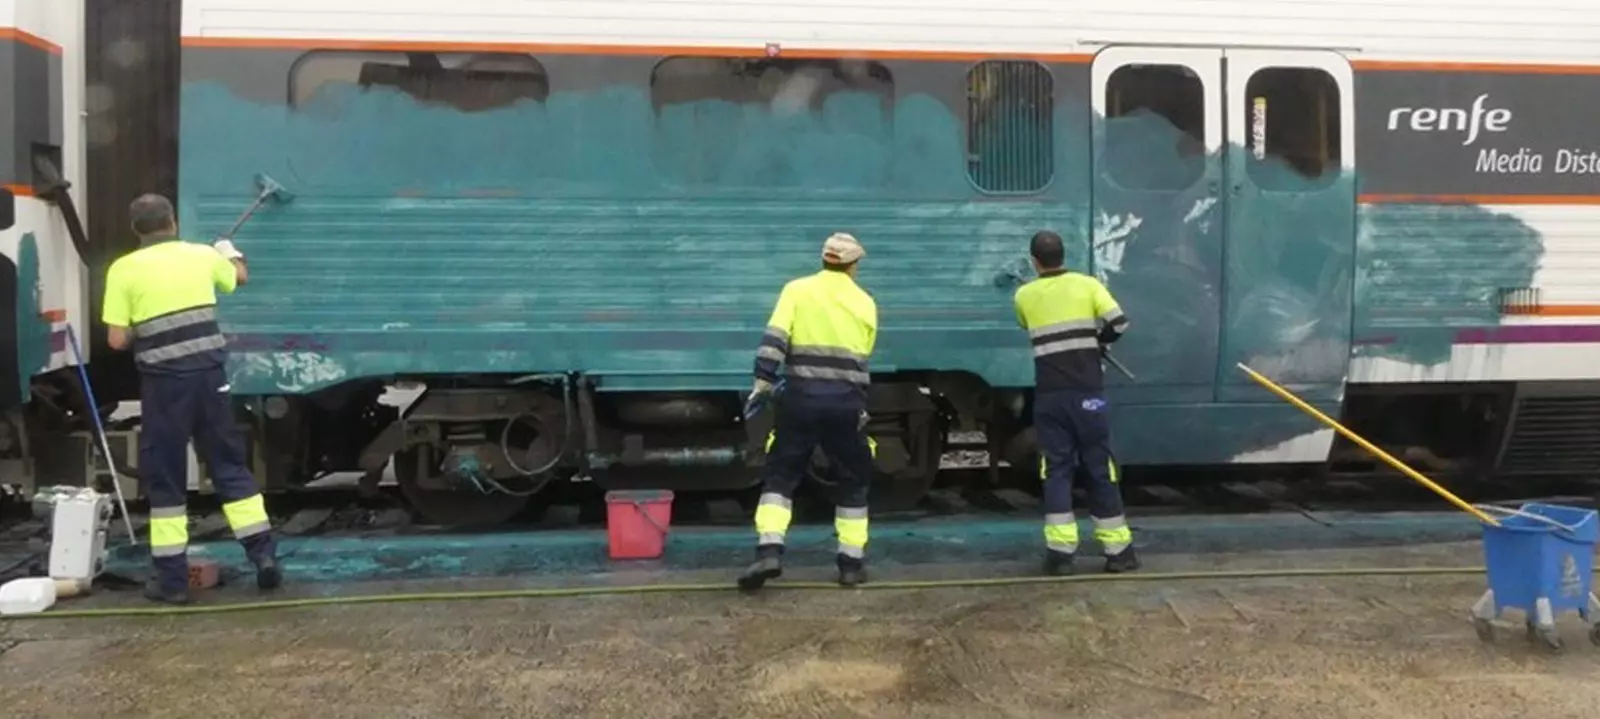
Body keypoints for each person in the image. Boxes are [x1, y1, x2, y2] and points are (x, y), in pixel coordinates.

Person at [101, 193, 282, 604]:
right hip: (209, 380)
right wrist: (229, 251)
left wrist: (140, 325)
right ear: (173, 223)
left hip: (165, 388)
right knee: (229, 465)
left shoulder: (123, 269)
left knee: (166, 478)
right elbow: (239, 277)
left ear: (135, 230)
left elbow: (116, 340)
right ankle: (264, 556)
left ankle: (172, 583)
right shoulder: (202, 256)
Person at [740, 232, 877, 590]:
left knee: (781, 476)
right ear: (854, 265)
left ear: (824, 259)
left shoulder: (796, 290)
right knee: (853, 481)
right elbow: (863, 358)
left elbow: (774, 340)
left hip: (800, 400)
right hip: (846, 404)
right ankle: (850, 565)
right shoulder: (865, 303)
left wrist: (763, 381)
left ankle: (769, 552)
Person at [1012, 230, 1138, 576]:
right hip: (1088, 395)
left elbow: (1027, 323)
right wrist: (1099, 340)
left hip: (1050, 397)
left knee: (1056, 470)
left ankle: (1060, 555)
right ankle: (1118, 552)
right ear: (1063, 255)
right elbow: (1120, 323)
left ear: (1034, 261)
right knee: (1099, 467)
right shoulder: (1088, 285)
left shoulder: (1024, 295)